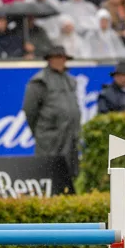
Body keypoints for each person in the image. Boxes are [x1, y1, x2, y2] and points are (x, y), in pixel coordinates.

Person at [22, 44, 81, 186]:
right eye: (57, 57)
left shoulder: (70, 80)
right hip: (50, 138)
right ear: (49, 59)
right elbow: (30, 111)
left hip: (70, 135)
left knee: (70, 175)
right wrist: (43, 132)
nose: (60, 61)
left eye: (62, 58)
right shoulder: (39, 81)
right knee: (48, 175)